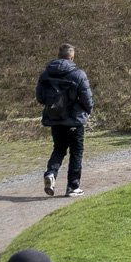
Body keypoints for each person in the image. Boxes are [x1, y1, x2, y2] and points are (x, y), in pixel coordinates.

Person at [34, 47, 92, 199]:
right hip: (74, 120)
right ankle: (73, 186)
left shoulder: (45, 74)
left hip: (54, 119)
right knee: (76, 153)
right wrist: (87, 111)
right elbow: (87, 98)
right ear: (72, 57)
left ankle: (51, 173)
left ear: (58, 56)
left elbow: (40, 97)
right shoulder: (78, 74)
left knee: (59, 149)